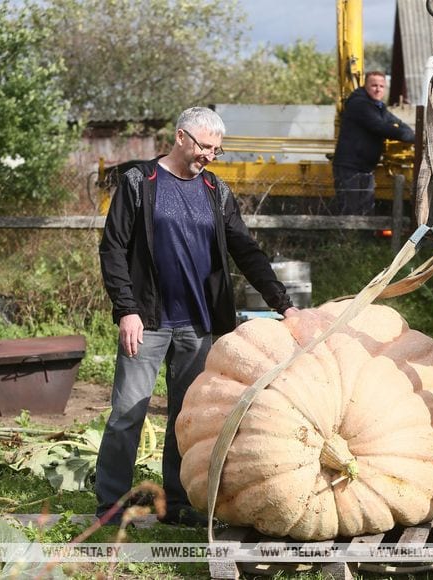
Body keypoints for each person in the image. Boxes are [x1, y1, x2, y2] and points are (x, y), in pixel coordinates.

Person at [96, 107, 298, 527]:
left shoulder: (214, 191)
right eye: (205, 146)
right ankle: (110, 505)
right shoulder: (140, 183)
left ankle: (176, 501)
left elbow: (245, 250)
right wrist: (126, 310)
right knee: (127, 413)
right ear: (181, 137)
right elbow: (113, 249)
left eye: (216, 150)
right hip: (147, 322)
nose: (209, 155)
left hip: (200, 326)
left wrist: (284, 303)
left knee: (186, 417)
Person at [332, 71, 415, 215]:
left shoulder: (378, 106)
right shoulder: (360, 104)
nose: (378, 89)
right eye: (374, 85)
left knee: (366, 210)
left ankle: (362, 237)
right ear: (366, 86)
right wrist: (410, 136)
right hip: (350, 167)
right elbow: (380, 127)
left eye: (381, 86)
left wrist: (411, 134)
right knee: (350, 212)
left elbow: (396, 123)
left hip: (365, 167)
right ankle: (348, 237)